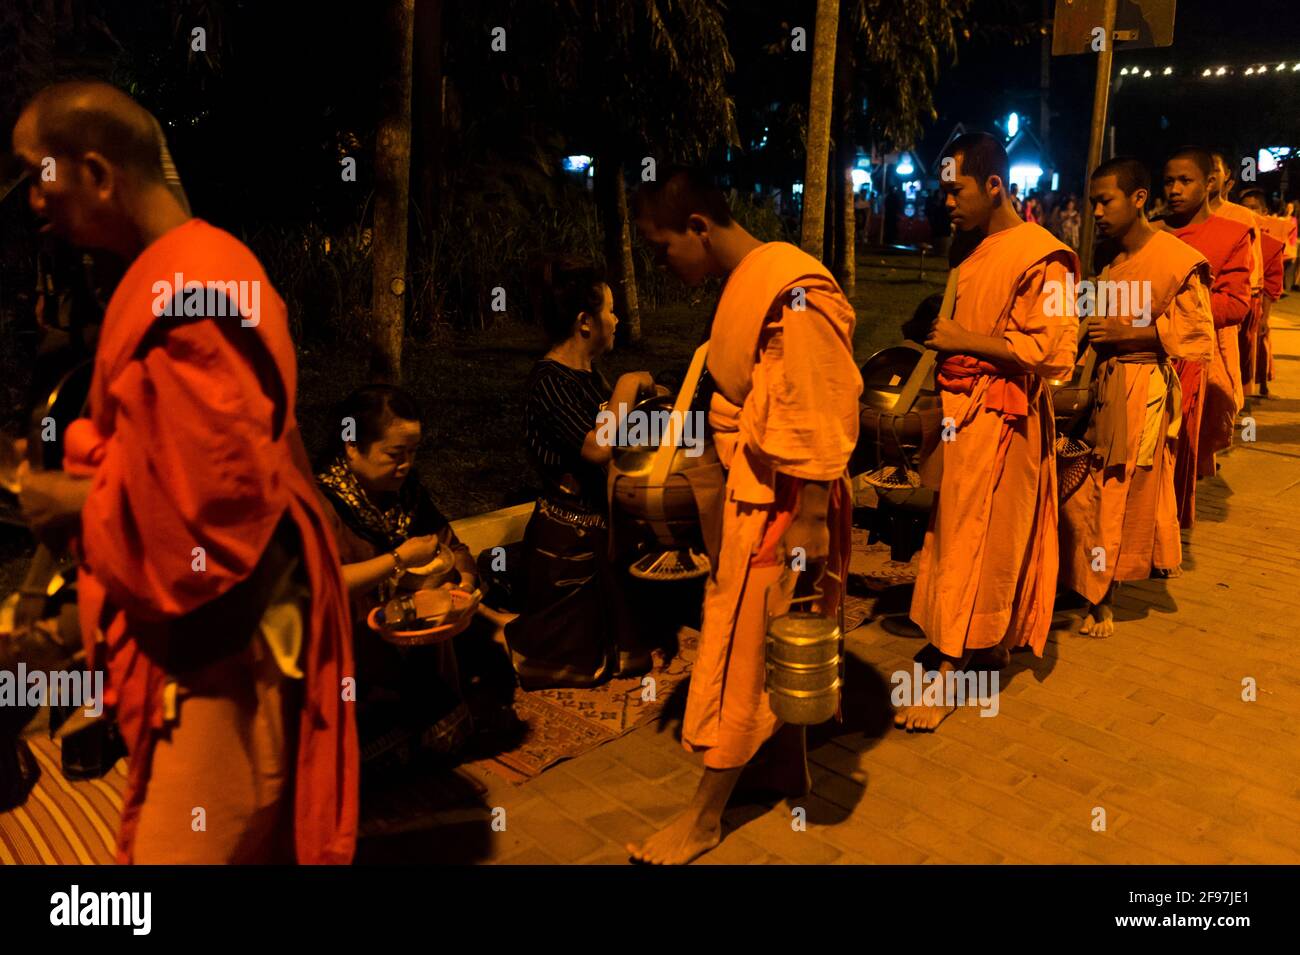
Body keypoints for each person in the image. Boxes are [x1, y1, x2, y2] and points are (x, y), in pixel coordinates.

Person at [11, 81, 356, 863]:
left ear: (96, 174)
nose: (34, 200)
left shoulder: (190, 297)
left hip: (223, 645)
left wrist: (68, 496)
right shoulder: (196, 264)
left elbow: (207, 524)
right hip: (235, 626)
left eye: (41, 173)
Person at [629, 167, 860, 863]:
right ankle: (788, 766)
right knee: (765, 641)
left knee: (745, 651)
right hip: (759, 489)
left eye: (664, 245)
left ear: (698, 226)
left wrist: (814, 519)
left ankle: (703, 817)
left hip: (790, 501)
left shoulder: (791, 289)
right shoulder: (755, 281)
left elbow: (817, 406)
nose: (663, 262)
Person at [898, 132, 1079, 731]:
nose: (945, 202)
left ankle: (954, 671)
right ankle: (984, 640)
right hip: (964, 415)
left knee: (982, 539)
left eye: (956, 190)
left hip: (1007, 418)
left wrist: (962, 341)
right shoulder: (974, 248)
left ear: (994, 186)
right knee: (961, 534)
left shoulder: (1042, 253)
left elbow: (1051, 351)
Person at [1059, 158, 1214, 637]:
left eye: (1106, 201)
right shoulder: (1108, 259)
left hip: (1141, 390)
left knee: (1118, 489)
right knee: (1083, 484)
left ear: (1139, 198)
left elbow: (1196, 334)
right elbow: (1085, 321)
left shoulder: (1173, 258)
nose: (1098, 212)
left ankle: (1103, 595)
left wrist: (1131, 333)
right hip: (1099, 387)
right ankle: (1082, 577)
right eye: (1093, 203)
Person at [503, 257, 654, 689]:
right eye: (610, 310)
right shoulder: (548, 382)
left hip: (599, 534)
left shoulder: (587, 375)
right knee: (583, 665)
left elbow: (626, 433)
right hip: (566, 545)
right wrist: (626, 389)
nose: (617, 318)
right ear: (585, 322)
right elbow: (597, 447)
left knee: (631, 658)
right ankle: (502, 631)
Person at [316, 385, 481, 766]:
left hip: (412, 639)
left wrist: (465, 589)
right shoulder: (321, 504)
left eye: (413, 452)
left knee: (448, 738)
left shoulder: (406, 494)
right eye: (394, 454)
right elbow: (320, 585)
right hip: (350, 651)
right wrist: (397, 558)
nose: (406, 464)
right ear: (352, 446)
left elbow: (453, 548)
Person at [1152, 147, 1252, 522]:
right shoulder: (1153, 232)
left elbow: (1237, 304)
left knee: (1179, 451)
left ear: (1210, 183)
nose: (1174, 189)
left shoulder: (1233, 234)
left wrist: (1181, 310)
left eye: (1185, 180)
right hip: (1144, 356)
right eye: (1168, 181)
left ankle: (1167, 533)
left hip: (1192, 361)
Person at [1237, 189, 1286, 398]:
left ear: (1264, 212)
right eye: (1244, 208)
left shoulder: (1271, 245)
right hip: (1234, 302)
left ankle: (1258, 387)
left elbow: (1272, 286)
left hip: (1255, 305)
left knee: (1258, 346)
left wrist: (1265, 316)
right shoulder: (1233, 236)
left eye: (1254, 208)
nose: (1249, 213)